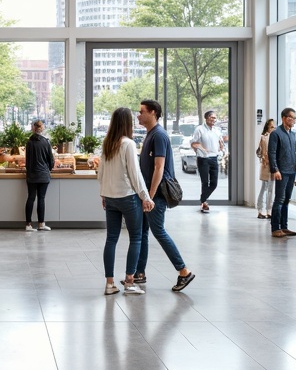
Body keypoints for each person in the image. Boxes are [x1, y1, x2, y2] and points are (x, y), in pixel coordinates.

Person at [136, 100, 196, 292]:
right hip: (149, 193)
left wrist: (150, 197)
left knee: (158, 231)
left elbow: (159, 167)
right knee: (143, 232)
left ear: (153, 113)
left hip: (157, 194)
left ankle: (184, 271)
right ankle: (139, 273)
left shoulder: (159, 135)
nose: (138, 115)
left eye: (142, 112)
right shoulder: (150, 134)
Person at [96, 107, 154, 295]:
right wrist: (146, 197)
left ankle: (110, 284)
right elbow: (135, 174)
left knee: (111, 239)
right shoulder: (128, 144)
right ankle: (129, 281)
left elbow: (101, 173)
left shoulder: (107, 143)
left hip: (110, 198)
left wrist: (103, 194)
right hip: (128, 197)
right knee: (136, 238)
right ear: (127, 123)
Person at [268, 108, 296, 238]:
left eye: (294, 118)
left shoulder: (292, 134)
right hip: (281, 171)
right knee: (279, 199)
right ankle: (276, 228)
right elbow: (272, 153)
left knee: (287, 199)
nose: (293, 120)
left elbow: (292, 152)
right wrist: (275, 169)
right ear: (283, 118)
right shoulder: (276, 133)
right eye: (290, 117)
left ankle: (284, 227)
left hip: (291, 170)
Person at [190, 110, 227, 212]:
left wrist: (222, 148)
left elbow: (221, 143)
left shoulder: (217, 130)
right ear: (206, 118)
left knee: (214, 183)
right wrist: (200, 151)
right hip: (203, 159)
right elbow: (194, 143)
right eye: (212, 117)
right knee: (205, 182)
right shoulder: (199, 129)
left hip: (214, 158)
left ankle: (202, 199)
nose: (214, 120)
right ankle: (204, 203)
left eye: (215, 118)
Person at [24, 119, 54, 231]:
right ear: (42, 128)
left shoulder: (29, 142)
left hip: (31, 175)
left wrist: (29, 170)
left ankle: (28, 225)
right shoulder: (46, 142)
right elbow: (50, 159)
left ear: (33, 128)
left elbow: (27, 161)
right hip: (43, 175)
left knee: (31, 198)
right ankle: (41, 224)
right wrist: (49, 169)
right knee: (41, 198)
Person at [256, 118, 276, 219]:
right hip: (266, 166)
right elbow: (259, 152)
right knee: (265, 188)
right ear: (267, 128)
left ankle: (267, 210)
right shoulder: (264, 138)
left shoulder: (275, 137)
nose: (273, 128)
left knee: (269, 189)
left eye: (274, 127)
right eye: (272, 127)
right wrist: (263, 157)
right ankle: (262, 210)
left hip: (272, 166)